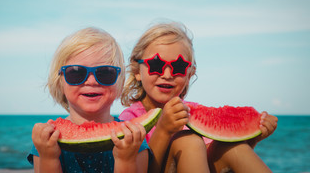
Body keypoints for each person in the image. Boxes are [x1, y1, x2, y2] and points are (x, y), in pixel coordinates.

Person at [120, 22, 278, 173]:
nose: (167, 75)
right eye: (155, 65)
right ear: (137, 71)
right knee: (188, 140)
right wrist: (163, 130)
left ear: (190, 74)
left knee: (233, 147)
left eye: (179, 67)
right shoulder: (130, 119)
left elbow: (219, 159)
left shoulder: (191, 110)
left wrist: (252, 137)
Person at [28, 27, 150, 173]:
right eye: (76, 73)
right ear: (60, 82)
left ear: (120, 82)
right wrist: (49, 158)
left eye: (105, 73)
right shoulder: (47, 141)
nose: (91, 81)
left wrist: (125, 160)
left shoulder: (133, 137)